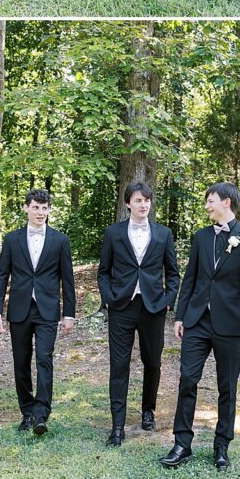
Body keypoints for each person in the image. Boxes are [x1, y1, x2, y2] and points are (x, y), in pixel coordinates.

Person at [159, 183, 240, 470]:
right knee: (187, 380)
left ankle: (221, 445)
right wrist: (180, 316)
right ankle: (182, 443)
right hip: (196, 322)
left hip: (230, 325)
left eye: (210, 201)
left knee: (227, 387)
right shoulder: (201, 237)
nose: (207, 206)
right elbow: (189, 278)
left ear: (226, 202)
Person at [97, 181, 181, 445]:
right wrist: (109, 298)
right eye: (138, 200)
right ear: (128, 204)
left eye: (147, 200)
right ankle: (117, 426)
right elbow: (103, 272)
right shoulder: (113, 233)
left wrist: (168, 300)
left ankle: (148, 410)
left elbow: (174, 274)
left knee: (153, 362)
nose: (143, 205)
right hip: (121, 307)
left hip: (153, 308)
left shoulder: (163, 234)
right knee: (119, 365)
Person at [0, 189, 76, 435]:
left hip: (48, 310)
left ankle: (41, 414)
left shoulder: (60, 240)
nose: (40, 212)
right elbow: (2, 277)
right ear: (26, 208)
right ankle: (27, 412)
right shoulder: (12, 239)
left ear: (49, 210)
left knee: (43, 358)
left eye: (45, 207)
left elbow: (67, 280)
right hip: (19, 310)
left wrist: (68, 313)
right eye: (36, 207)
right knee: (21, 362)